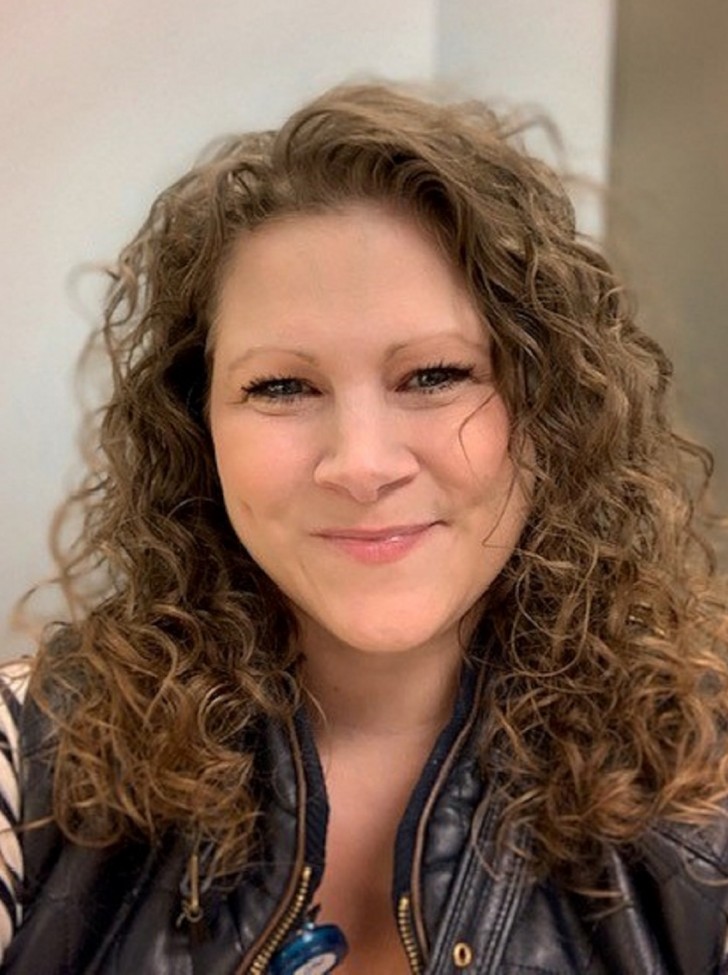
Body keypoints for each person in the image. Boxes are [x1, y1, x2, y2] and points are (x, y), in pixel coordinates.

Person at [1, 81, 728, 975]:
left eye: (432, 374)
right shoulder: (30, 753)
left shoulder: (709, 795)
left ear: (551, 409)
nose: (361, 463)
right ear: (198, 429)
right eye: (282, 387)